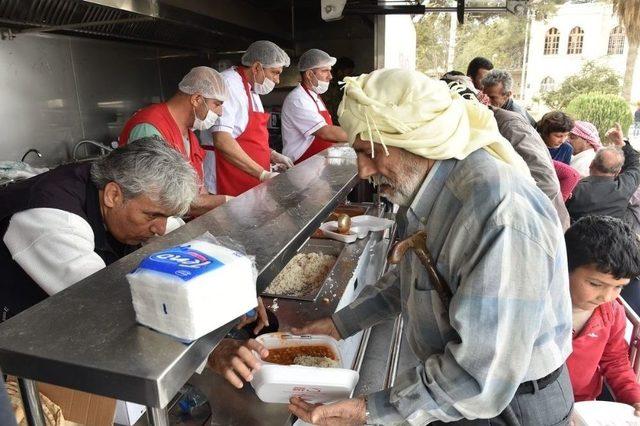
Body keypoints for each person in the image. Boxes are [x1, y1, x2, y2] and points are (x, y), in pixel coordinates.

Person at [283, 69, 572, 424]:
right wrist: (338, 325)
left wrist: (368, 411)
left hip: (511, 404)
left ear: (415, 139)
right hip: (459, 393)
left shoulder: (498, 212)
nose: (362, 170)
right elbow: (412, 278)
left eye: (369, 151)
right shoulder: (429, 190)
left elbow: (479, 378)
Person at [0, 138, 198, 321]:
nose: (160, 229)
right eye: (152, 216)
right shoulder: (55, 221)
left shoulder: (118, 184)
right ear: (113, 195)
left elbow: (177, 237)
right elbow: (102, 299)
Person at [119, 66, 228, 215]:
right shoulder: (150, 127)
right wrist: (224, 201)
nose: (220, 112)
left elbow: (199, 189)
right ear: (196, 99)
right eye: (217, 104)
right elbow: (157, 197)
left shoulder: (190, 135)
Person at [564, 216, 640, 414]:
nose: (606, 296)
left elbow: (615, 362)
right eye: (595, 284)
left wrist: (634, 398)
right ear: (564, 266)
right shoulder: (538, 308)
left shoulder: (613, 313)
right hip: (535, 406)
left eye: (618, 287)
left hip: (583, 405)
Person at [210, 40, 293, 197]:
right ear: (256, 68)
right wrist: (262, 174)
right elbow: (222, 140)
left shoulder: (252, 89)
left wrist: (272, 155)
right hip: (229, 177)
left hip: (249, 179)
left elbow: (249, 140)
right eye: (275, 73)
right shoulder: (228, 83)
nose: (277, 80)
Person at [491, 106, 571, 229]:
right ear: (544, 132)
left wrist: (563, 195)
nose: (563, 140)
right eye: (558, 136)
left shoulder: (566, 149)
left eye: (566, 136)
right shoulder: (531, 143)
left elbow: (568, 175)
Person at [281, 49, 348, 164]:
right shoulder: (298, 99)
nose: (330, 76)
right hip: (302, 165)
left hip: (317, 162)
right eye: (325, 71)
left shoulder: (314, 96)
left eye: (330, 71)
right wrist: (361, 135)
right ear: (309, 74)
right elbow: (325, 132)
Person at [566, 123, 640, 223]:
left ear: (591, 164)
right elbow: (635, 165)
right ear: (618, 172)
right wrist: (621, 142)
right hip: (609, 237)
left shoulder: (573, 189)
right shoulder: (624, 188)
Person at [324, 56, 355, 122]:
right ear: (339, 72)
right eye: (348, 73)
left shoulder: (342, 84)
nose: (350, 76)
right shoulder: (327, 86)